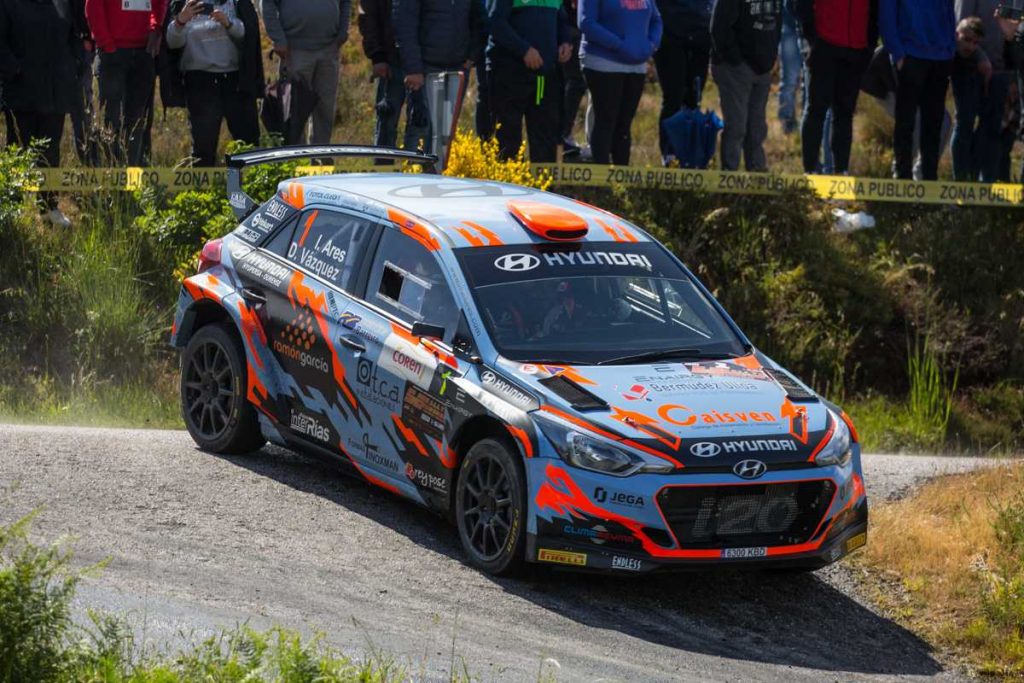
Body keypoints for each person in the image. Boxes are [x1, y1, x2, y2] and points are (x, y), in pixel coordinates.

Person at [0, 0, 85, 227]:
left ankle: (48, 208)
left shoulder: (62, 3)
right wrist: (16, 70)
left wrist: (75, 63)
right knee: (18, 149)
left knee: (50, 151)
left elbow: (73, 35)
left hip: (55, 91)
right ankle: (11, 207)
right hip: (21, 93)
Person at [165, 0, 261, 166]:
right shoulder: (183, 4)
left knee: (247, 141)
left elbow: (246, 35)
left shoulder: (236, 3)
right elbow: (172, 43)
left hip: (235, 80)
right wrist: (181, 21)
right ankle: (205, 181)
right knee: (203, 147)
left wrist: (228, 23)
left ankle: (249, 179)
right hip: (199, 80)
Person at [794, 0, 877, 175]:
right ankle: (810, 171)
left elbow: (875, 9)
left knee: (845, 113)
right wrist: (812, 39)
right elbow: (800, 6)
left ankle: (841, 172)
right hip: (824, 44)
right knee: (817, 109)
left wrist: (869, 46)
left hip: (856, 48)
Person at [578, 0, 663, 165]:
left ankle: (621, 175)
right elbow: (586, 22)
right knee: (606, 120)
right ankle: (601, 174)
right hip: (603, 62)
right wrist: (618, 45)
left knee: (624, 125)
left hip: (636, 65)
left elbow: (656, 20)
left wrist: (651, 45)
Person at [879, 0, 956, 180]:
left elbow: (949, 11)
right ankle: (902, 177)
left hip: (940, 58)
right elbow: (886, 14)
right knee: (906, 121)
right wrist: (897, 53)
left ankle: (929, 179)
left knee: (934, 124)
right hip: (910, 55)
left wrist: (950, 49)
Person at [487, 0, 572, 162]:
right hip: (510, 74)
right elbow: (496, 22)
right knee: (507, 138)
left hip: (544, 75)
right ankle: (508, 176)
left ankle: (541, 179)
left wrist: (565, 41)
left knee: (545, 139)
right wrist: (524, 50)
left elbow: (561, 19)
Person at [85, 0, 166, 165]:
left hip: (142, 53)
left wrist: (155, 27)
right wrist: (106, 44)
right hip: (112, 54)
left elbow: (159, 4)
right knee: (111, 119)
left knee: (136, 121)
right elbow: (93, 7)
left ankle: (131, 176)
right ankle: (113, 174)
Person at [262, 0, 351, 145]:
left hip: (329, 48)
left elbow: (345, 2)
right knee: (294, 112)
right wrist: (278, 39)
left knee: (325, 109)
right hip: (294, 50)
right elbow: (267, 3)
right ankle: (297, 155)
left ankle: (321, 154)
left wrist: (343, 31)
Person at [861, 45, 953, 180]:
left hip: (916, 88)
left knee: (944, 120)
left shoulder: (941, 47)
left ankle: (921, 174)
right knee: (915, 119)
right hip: (886, 87)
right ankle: (900, 170)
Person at [710, 0, 781, 171]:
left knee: (757, 128)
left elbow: (777, 23)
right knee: (736, 126)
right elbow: (719, 27)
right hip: (734, 67)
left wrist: (770, 57)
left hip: (762, 67)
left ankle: (757, 175)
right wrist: (736, 60)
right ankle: (730, 175)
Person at [359, 0, 429, 151]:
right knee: (386, 122)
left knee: (420, 123)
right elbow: (368, 15)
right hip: (390, 60)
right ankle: (383, 164)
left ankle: (414, 164)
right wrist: (377, 56)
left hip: (425, 59)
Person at [956, 0, 1010, 182]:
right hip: (969, 66)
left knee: (991, 129)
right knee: (965, 124)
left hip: (999, 70)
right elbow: (961, 26)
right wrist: (980, 56)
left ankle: (984, 184)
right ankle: (961, 184)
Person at [654, 0, 711, 165]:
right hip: (670, 34)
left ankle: (690, 155)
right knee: (674, 97)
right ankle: (669, 154)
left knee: (694, 99)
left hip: (701, 34)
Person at [950, 17, 994, 180]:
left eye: (975, 43)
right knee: (963, 125)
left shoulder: (974, 54)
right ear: (957, 34)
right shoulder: (949, 46)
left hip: (972, 71)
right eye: (967, 40)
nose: (970, 46)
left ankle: (972, 176)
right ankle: (960, 179)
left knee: (975, 126)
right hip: (954, 68)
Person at [560, 0, 587, 157]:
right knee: (575, 82)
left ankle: (563, 133)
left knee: (574, 82)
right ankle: (563, 134)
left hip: (574, 25)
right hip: (570, 25)